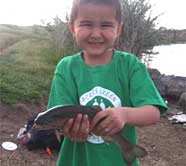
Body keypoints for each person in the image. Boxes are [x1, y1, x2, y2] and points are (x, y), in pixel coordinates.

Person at [47, 0, 167, 165]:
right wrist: (69, 130)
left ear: (118, 29)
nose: (96, 34)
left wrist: (124, 115)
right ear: (71, 27)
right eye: (87, 24)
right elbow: (59, 117)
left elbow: (153, 113)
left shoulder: (130, 65)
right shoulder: (66, 68)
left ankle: (128, 149)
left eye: (106, 25)